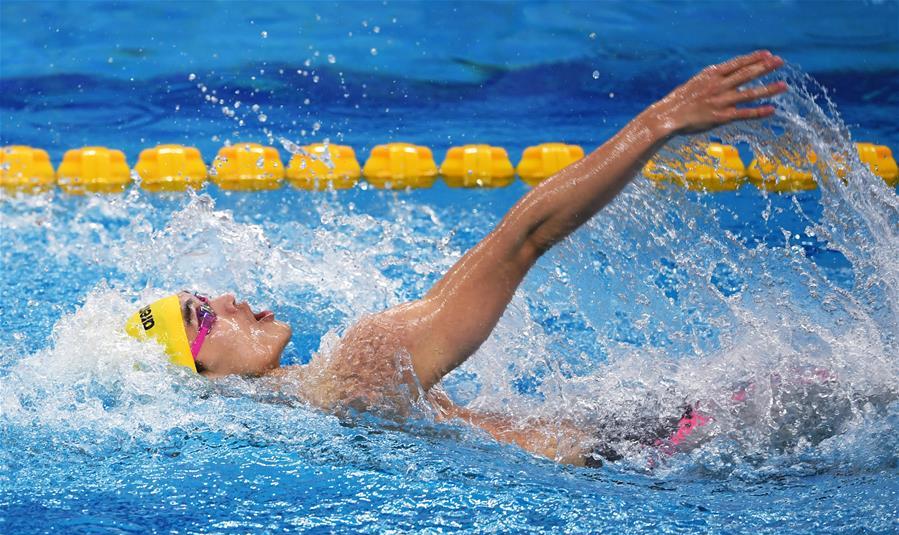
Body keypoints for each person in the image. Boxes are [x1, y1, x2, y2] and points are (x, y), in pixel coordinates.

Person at [126, 51, 787, 466]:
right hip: (655, 453)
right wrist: (658, 122)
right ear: (199, 375)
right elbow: (521, 239)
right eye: (201, 315)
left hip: (635, 447)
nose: (229, 299)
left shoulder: (307, 422)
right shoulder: (362, 366)